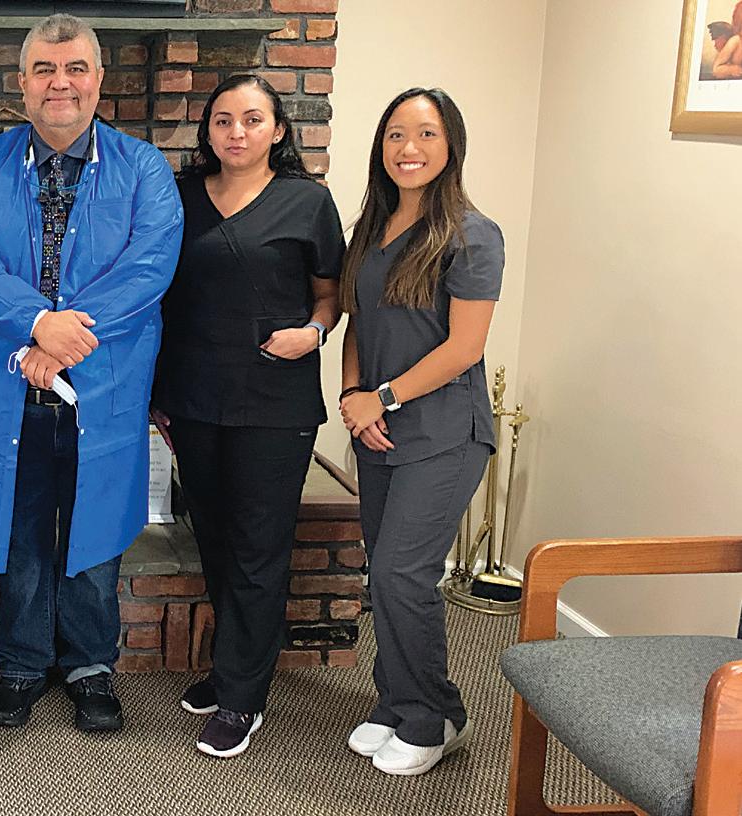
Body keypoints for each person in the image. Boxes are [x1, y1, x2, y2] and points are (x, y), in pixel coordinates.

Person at [0, 14, 183, 734]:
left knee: (93, 527)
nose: (60, 83)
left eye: (75, 68)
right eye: (44, 70)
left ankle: (89, 665)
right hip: (7, 384)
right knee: (20, 528)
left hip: (103, 385)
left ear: (99, 79)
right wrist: (37, 324)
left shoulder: (144, 170)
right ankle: (20, 662)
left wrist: (60, 339)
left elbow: (148, 268)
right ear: (21, 83)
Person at [150, 74, 345, 758]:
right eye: (223, 119)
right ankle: (236, 664)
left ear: (278, 129)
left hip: (273, 400)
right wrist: (159, 397)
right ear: (208, 130)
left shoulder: (307, 202)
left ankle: (242, 697)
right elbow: (161, 297)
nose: (237, 132)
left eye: (253, 119)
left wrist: (312, 334)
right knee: (215, 540)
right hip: (195, 398)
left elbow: (330, 297)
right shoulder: (179, 197)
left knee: (260, 546)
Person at [337, 87, 503, 777]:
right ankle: (398, 701)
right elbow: (357, 321)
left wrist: (381, 397)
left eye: (427, 134)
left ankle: (435, 718)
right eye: (396, 134)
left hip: (444, 432)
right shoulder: (371, 228)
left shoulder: (472, 235)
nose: (409, 148)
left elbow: (465, 347)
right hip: (378, 427)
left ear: (451, 145)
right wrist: (353, 395)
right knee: (384, 574)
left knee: (403, 574)